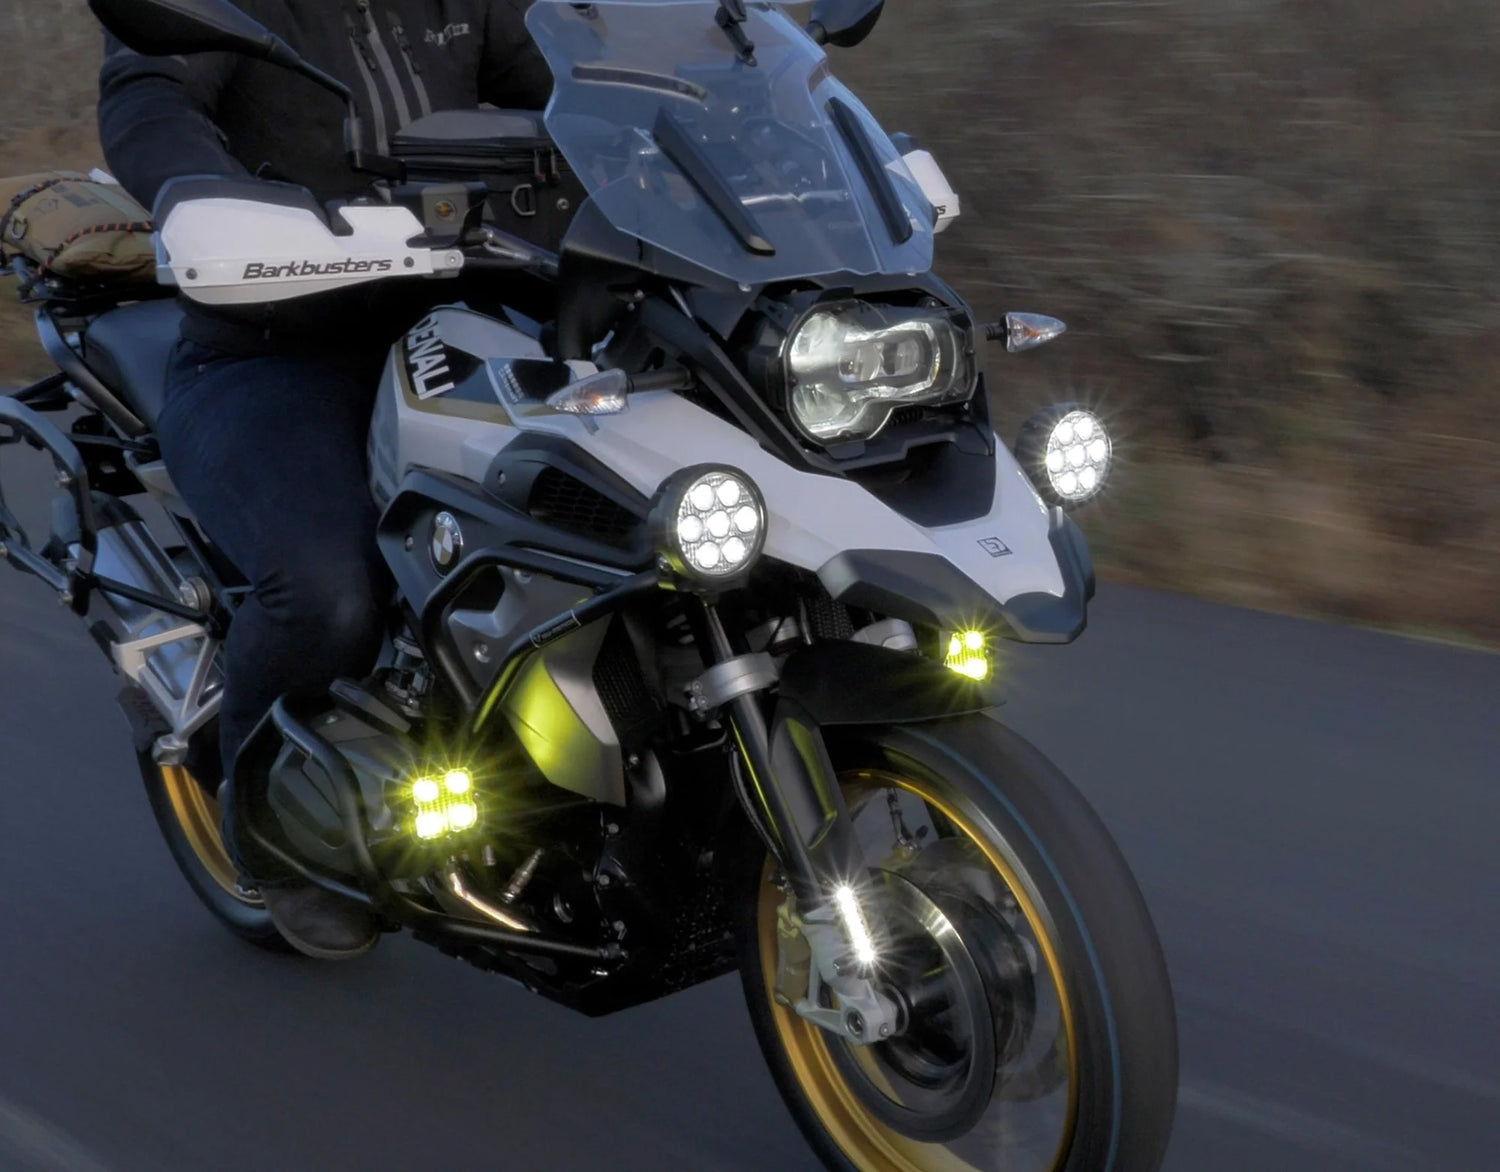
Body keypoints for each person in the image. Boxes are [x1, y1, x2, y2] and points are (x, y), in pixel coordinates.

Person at [97, 0, 553, 960]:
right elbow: (150, 95)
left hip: (466, 318)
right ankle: (271, 830)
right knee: (328, 588)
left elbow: (575, 79)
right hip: (273, 344)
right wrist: (211, 205)